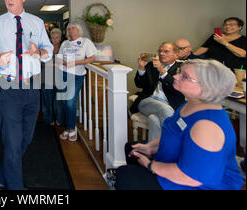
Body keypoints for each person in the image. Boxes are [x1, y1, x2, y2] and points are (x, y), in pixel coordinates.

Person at [115, 59, 244, 190]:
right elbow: (173, 132)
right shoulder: (190, 104)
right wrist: (150, 147)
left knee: (124, 175)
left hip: (197, 183)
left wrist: (151, 165)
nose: (175, 77)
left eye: (185, 77)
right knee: (130, 148)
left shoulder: (207, 126)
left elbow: (192, 178)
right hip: (179, 166)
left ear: (206, 87)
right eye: (179, 73)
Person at [0, 0, 53, 190]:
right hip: (8, 88)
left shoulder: (37, 23)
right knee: (12, 143)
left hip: (31, 88)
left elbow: (49, 52)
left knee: (25, 139)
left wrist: (38, 52)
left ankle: (2, 176)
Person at [130, 42, 185, 141]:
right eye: (160, 51)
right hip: (147, 100)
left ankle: (154, 153)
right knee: (166, 110)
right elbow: (139, 84)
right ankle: (174, 142)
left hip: (170, 104)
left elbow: (178, 88)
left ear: (176, 55)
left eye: (166, 51)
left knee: (153, 119)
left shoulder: (182, 68)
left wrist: (162, 70)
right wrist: (141, 67)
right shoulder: (151, 65)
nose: (161, 54)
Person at [57, 22, 98, 142]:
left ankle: (71, 129)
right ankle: (69, 127)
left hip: (76, 75)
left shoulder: (85, 42)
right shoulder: (65, 43)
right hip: (63, 73)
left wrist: (75, 63)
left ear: (78, 30)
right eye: (68, 29)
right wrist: (63, 62)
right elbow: (59, 57)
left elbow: (91, 58)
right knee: (65, 102)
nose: (70, 30)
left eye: (73, 28)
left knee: (70, 102)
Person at [41, 28, 64, 127]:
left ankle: (59, 119)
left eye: (57, 37)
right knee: (47, 102)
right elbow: (41, 63)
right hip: (46, 79)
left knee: (59, 102)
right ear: (50, 38)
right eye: (53, 38)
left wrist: (51, 64)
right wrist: (57, 64)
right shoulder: (46, 49)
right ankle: (48, 120)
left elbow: (68, 63)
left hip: (60, 79)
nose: (55, 40)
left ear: (60, 38)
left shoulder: (64, 48)